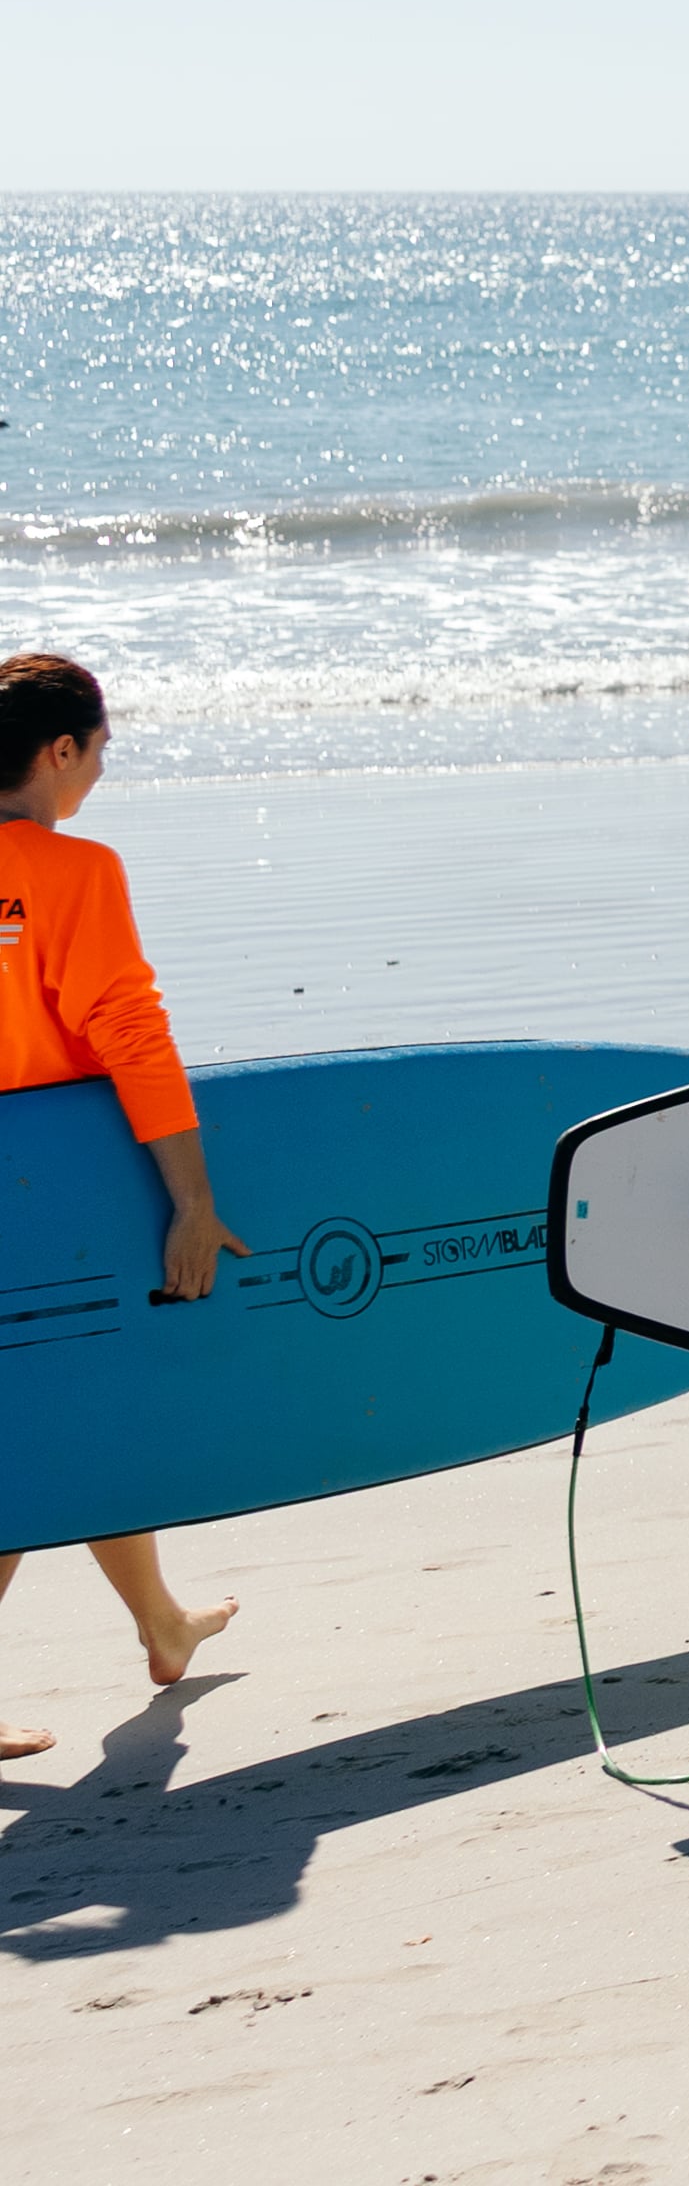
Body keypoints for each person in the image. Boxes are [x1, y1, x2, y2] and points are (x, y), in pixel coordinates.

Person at [0, 655, 244, 1757]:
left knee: (68, 1414)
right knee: (43, 1428)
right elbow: (129, 1030)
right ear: (61, 751)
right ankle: (160, 1619)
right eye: (98, 751)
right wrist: (192, 1198)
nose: (98, 772)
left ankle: (161, 1618)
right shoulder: (74, 872)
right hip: (42, 1191)